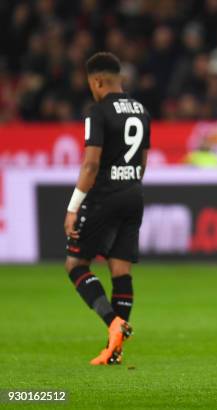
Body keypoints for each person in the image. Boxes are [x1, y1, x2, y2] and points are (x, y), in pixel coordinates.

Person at [64, 52, 151, 365]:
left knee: (75, 264)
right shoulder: (141, 110)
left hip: (103, 196)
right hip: (133, 194)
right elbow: (142, 160)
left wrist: (74, 207)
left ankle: (113, 323)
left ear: (97, 81)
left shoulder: (97, 111)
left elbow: (90, 163)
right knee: (121, 270)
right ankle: (115, 350)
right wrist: (130, 185)